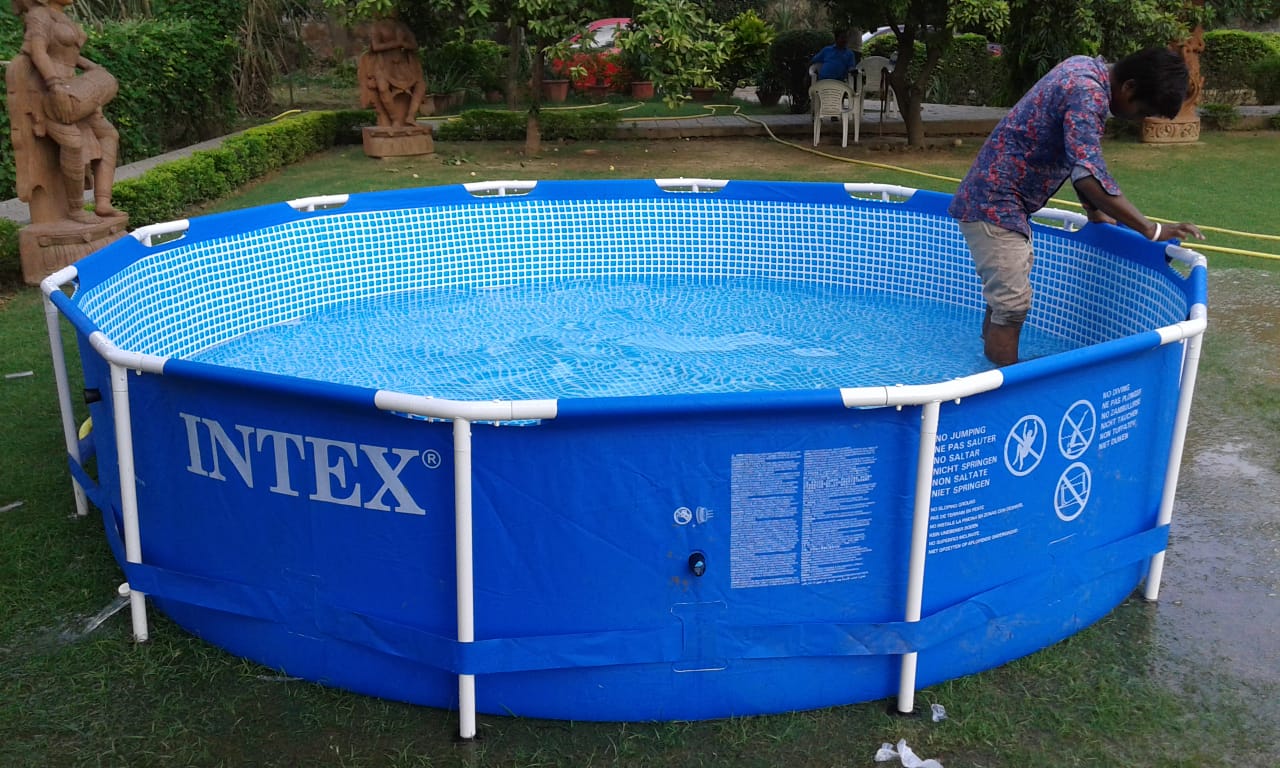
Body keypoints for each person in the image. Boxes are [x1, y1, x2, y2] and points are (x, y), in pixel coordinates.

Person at [948, 48, 1205, 367]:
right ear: (1128, 87)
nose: (1137, 119)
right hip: (994, 203)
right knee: (1012, 304)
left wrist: (1096, 213)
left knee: (1005, 300)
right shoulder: (1088, 93)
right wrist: (1151, 230)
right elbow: (1087, 173)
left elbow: (1077, 157)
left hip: (1002, 203)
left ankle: (991, 367)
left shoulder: (1084, 68)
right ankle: (1006, 391)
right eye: (1141, 110)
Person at [11, 0, 122, 225]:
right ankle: (75, 209)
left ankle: (103, 201)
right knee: (72, 143)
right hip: (50, 95)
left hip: (77, 90)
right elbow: (37, 51)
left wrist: (92, 68)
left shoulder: (60, 17)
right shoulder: (39, 15)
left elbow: (67, 54)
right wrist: (54, 85)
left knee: (108, 135)